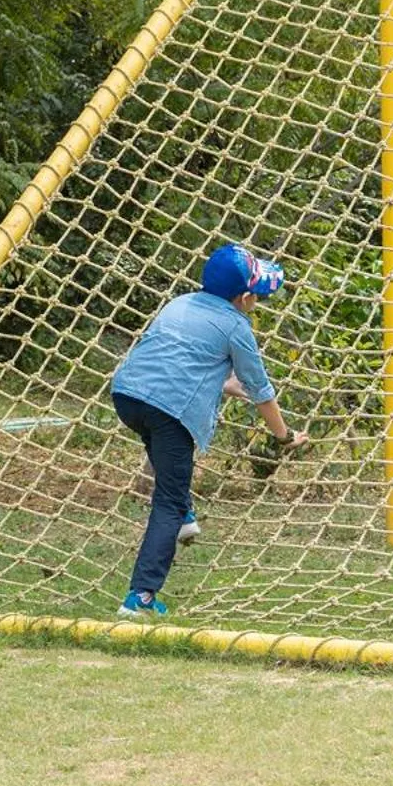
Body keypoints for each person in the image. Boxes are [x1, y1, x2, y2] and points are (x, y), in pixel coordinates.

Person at [109, 243, 308, 619]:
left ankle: (185, 517)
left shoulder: (180, 303)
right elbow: (262, 392)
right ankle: (141, 598)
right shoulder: (237, 326)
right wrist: (284, 437)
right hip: (170, 411)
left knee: (168, 471)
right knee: (167, 501)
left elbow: (178, 360)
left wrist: (223, 383)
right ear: (246, 297)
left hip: (128, 395)